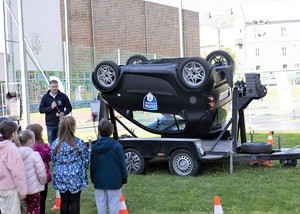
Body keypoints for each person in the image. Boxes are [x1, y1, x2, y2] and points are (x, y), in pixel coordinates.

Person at [51, 116, 89, 214]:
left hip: (61, 175)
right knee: (75, 200)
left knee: (64, 201)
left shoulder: (55, 143)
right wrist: (81, 170)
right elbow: (85, 159)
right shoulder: (78, 142)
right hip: (75, 175)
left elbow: (53, 160)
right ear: (72, 127)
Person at [90, 118, 128, 214]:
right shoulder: (117, 146)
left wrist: (93, 178)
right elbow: (122, 164)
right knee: (114, 206)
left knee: (101, 206)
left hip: (99, 181)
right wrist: (124, 179)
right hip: (114, 181)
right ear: (112, 131)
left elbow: (92, 165)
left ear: (99, 131)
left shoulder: (95, 147)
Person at [0, 120, 27, 214]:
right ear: (13, 134)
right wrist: (23, 190)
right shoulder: (11, 149)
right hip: (10, 188)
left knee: (4, 211)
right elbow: (18, 171)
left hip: (1, 187)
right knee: (13, 211)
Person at [18, 130, 47, 214]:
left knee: (28, 207)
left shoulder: (16, 154)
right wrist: (43, 181)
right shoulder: (35, 155)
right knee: (35, 208)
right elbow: (41, 171)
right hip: (34, 189)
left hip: (23, 188)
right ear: (31, 141)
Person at [26, 123, 52, 214]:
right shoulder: (40, 146)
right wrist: (46, 145)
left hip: (29, 178)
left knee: (31, 204)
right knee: (41, 202)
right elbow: (49, 156)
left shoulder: (25, 146)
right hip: (41, 177)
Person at [39, 79, 72, 145]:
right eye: (53, 86)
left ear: (58, 86)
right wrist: (51, 107)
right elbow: (41, 110)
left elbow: (69, 108)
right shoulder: (45, 97)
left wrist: (63, 113)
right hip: (50, 124)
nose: (54, 88)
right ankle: (52, 155)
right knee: (51, 143)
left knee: (60, 142)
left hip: (61, 123)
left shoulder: (63, 96)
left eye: (56, 86)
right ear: (49, 87)